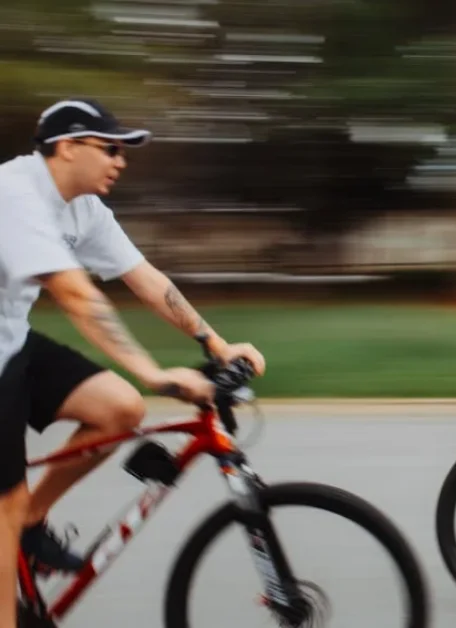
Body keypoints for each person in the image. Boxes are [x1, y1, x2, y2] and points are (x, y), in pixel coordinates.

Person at [0, 98, 266, 627]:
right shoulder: (14, 192)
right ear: (68, 147)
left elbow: (145, 279)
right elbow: (76, 296)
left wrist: (215, 343)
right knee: (4, 504)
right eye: (111, 148)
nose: (120, 160)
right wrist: (152, 372)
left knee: (120, 409)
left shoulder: (84, 207)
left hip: (11, 341)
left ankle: (31, 520)